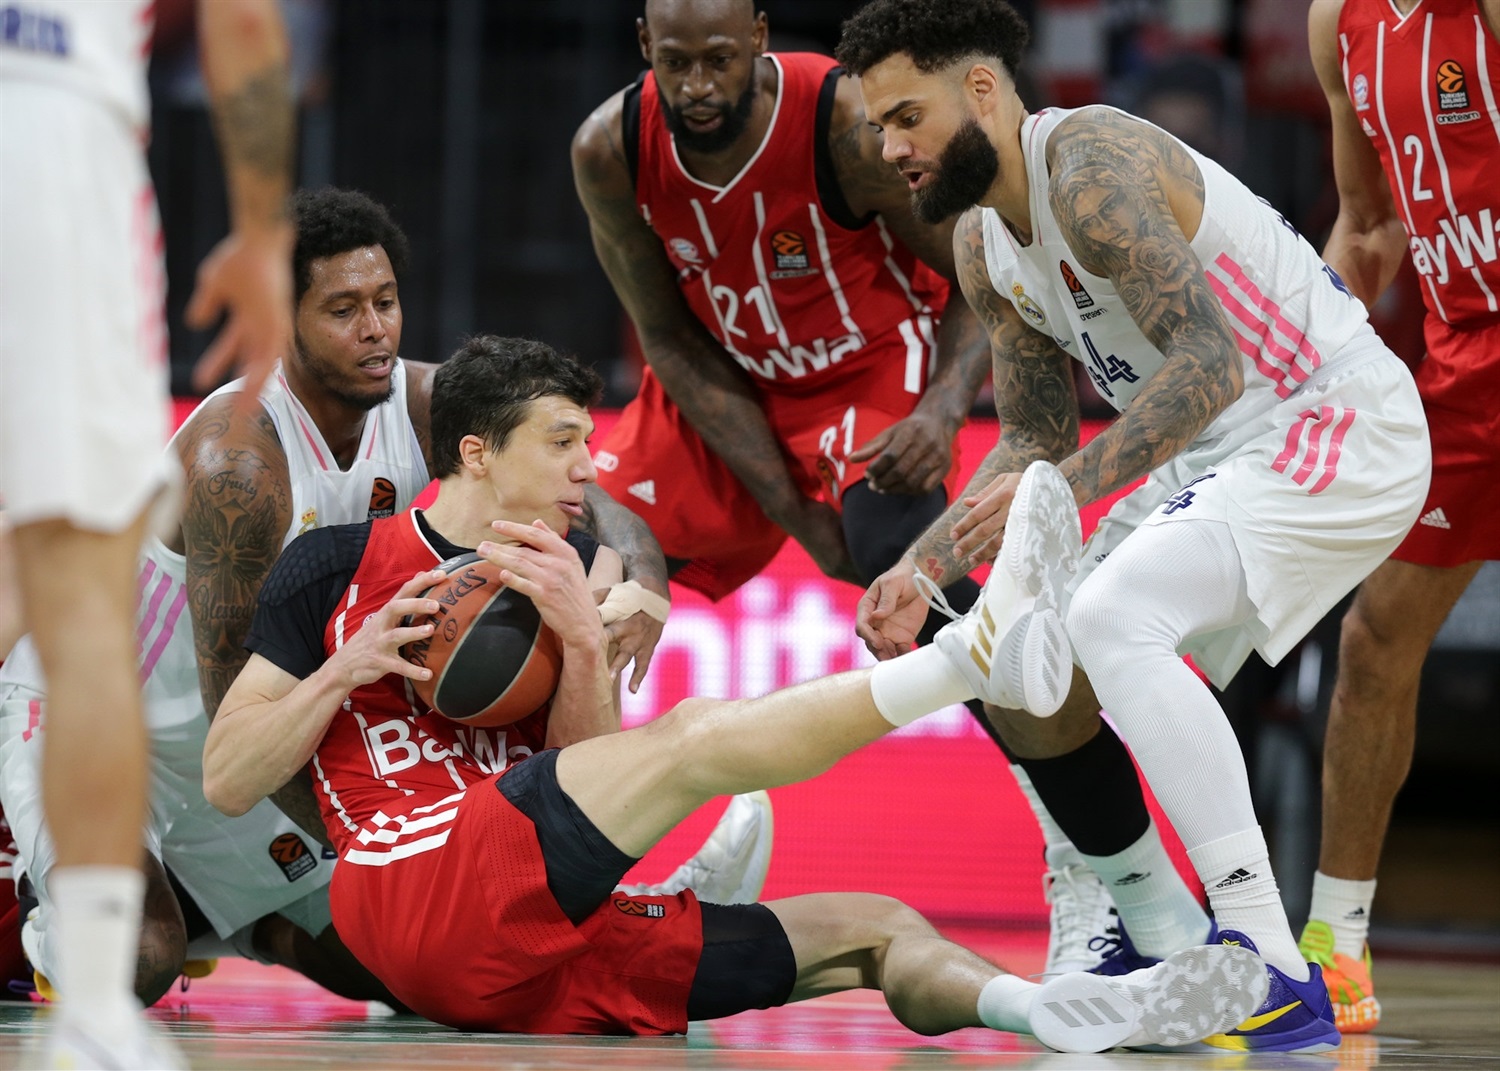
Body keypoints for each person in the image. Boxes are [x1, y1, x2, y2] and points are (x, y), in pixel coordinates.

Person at [200, 333, 1269, 1050]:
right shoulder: (339, 565)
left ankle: (1057, 1011)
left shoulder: (573, 574)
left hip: (530, 936)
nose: (589, 468)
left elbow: (577, 780)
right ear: (477, 454)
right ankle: (969, 657)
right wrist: (347, 666)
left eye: (590, 442)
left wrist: (581, 640)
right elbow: (229, 779)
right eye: (563, 443)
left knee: (876, 927)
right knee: (693, 737)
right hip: (404, 880)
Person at [0, 187, 767, 1017]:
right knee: (137, 961)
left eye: (386, 301)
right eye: (343, 310)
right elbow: (234, 712)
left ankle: (648, 910)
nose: (375, 329)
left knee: (425, 974)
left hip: (239, 756)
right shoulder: (240, 464)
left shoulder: (422, 403)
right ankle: (67, 914)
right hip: (106, 731)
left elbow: (595, 497)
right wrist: (406, 860)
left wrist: (644, 583)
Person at [838, 0, 1432, 1054]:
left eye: (907, 117)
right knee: (1021, 655)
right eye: (879, 127)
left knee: (1113, 613)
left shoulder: (1089, 166)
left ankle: (1267, 960)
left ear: (982, 90)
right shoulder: (982, 241)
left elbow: (1210, 366)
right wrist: (922, 567)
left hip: (1330, 416)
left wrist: (1056, 495)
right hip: (1217, 453)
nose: (890, 150)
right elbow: (1033, 440)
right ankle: (1151, 926)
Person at [573, 0, 1200, 978]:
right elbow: (666, 336)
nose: (698, 86)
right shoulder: (609, 150)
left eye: (720, 60)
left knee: (928, 589)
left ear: (759, 38)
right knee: (575, 569)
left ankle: (1091, 866)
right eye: (677, 62)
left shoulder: (842, 125)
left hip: (865, 371)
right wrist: (791, 506)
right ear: (645, 46)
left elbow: (980, 271)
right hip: (721, 388)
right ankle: (566, 884)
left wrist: (946, 410)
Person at [1, 1, 296, 1065]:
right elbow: (242, 20)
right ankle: (90, 1013)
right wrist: (263, 232)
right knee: (83, 607)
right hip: (47, 119)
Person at [1302, 0, 1500, 1034]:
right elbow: (1371, 226)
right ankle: (1336, 945)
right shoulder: (1340, 22)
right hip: (1464, 361)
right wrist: (1293, 357)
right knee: (1374, 639)